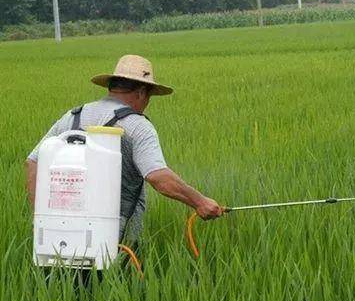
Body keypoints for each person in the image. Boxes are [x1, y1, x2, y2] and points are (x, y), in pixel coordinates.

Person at [26, 55, 223, 253]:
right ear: (142, 92)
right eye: (149, 96)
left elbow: (33, 162)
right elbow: (158, 177)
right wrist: (201, 202)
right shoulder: (138, 126)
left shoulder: (73, 116)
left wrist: (41, 216)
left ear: (111, 88)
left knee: (63, 284)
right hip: (114, 238)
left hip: (58, 234)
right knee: (114, 282)